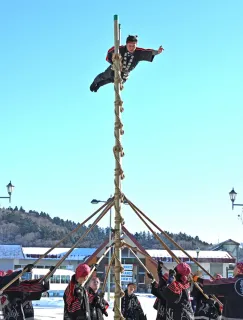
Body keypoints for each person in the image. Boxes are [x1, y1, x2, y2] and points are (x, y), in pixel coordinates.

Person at [90, 35, 164, 92]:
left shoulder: (139, 52)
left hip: (125, 73)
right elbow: (109, 53)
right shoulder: (120, 49)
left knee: (112, 81)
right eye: (130, 46)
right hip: (115, 68)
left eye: (133, 46)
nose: (131, 48)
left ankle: (99, 85)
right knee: (104, 76)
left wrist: (158, 52)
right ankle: (94, 82)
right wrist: (113, 63)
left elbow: (149, 51)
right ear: (126, 44)